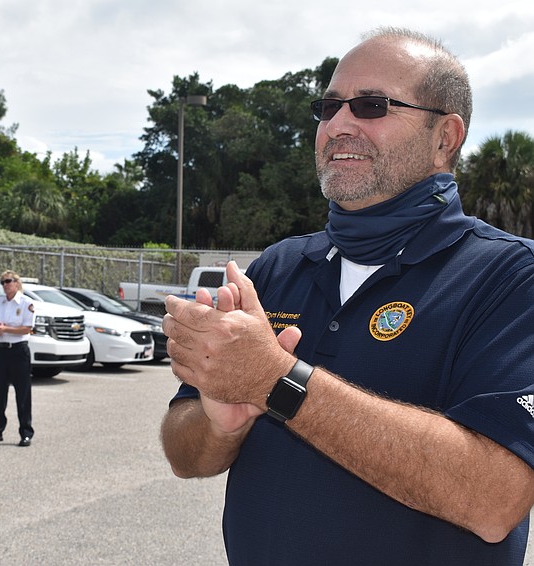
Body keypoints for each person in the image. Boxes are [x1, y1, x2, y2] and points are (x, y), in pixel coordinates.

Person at [160, 27, 534, 566]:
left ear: (445, 137)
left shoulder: (510, 277)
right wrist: (221, 422)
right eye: (329, 107)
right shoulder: (276, 267)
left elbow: (495, 499)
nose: (338, 126)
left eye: (371, 106)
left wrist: (276, 381)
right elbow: (183, 454)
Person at [0, 270, 35, 447]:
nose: (5, 285)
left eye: (8, 281)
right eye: (2, 282)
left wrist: (6, 330)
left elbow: (27, 328)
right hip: (2, 350)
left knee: (23, 393)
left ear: (17, 283)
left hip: (19, 351)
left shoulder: (26, 303)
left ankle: (26, 432)